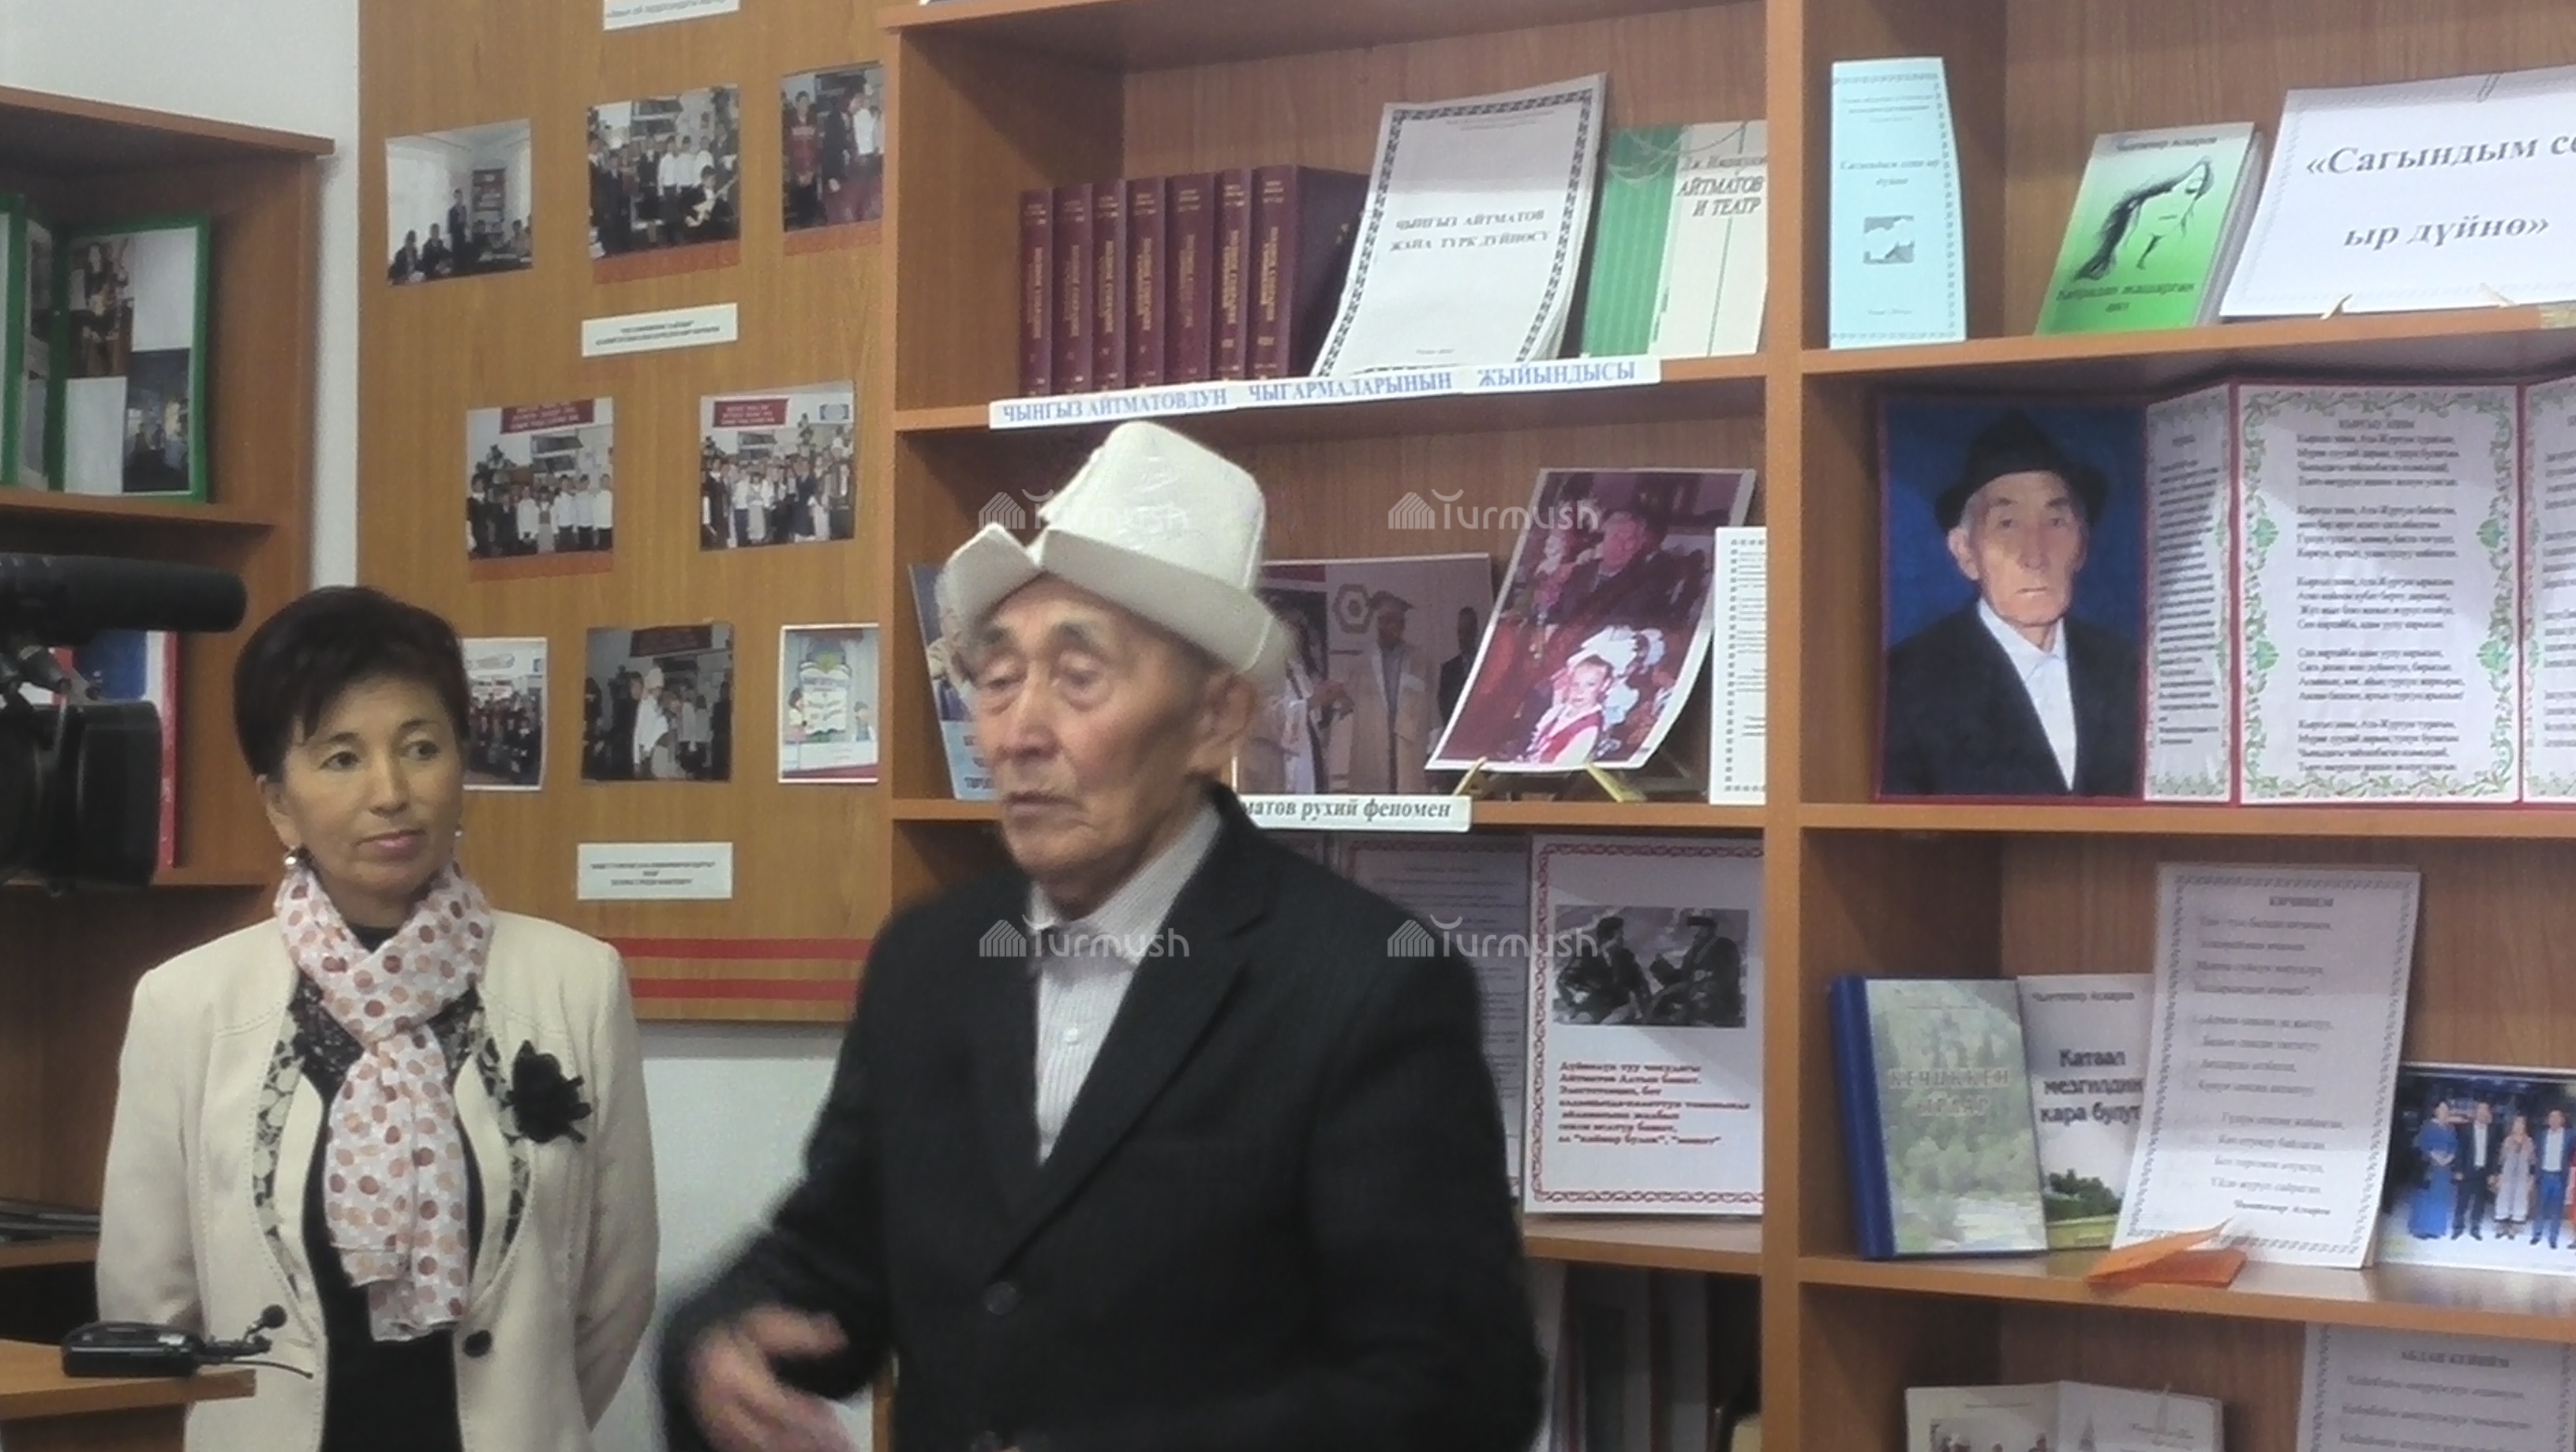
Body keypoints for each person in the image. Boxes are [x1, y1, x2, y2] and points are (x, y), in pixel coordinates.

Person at [659, 421, 1541, 1452]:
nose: (1018, 733)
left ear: (1216, 719)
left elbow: (1456, 1391)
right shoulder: (930, 961)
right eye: (997, 679)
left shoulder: (1361, 984)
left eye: (1079, 677)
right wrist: (716, 1343)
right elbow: (834, 1260)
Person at [94, 586, 657, 1452]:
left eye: (421, 748)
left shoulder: (576, 982)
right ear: (279, 803)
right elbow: (149, 1309)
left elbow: (614, 1290)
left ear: (462, 769)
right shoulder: (188, 1004)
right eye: (341, 758)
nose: (391, 791)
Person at [1880, 410, 2142, 798]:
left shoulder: (2126, 669)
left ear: (2082, 544)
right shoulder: (1905, 684)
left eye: (2055, 523)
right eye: (2007, 524)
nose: (2034, 555)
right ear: (1965, 552)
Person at [1322, 589, 1434, 793]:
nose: (1384, 627)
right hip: (1373, 746)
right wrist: (1334, 695)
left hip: (1408, 747)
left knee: (1408, 794)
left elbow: (1432, 710)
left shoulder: (1420, 661)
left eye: (1391, 621)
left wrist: (1432, 752)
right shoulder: (1361, 663)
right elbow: (1345, 703)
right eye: (1381, 621)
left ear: (1402, 625)